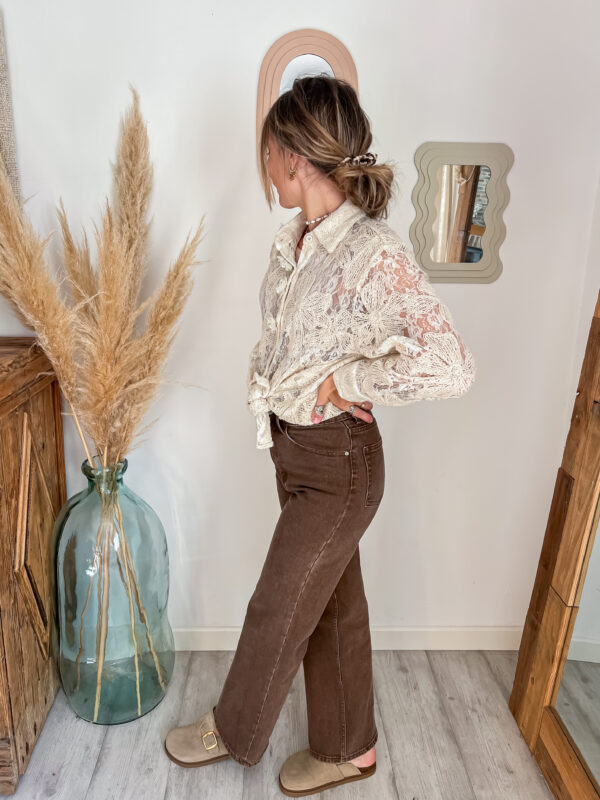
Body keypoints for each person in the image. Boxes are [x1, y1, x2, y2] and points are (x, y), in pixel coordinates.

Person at [164, 75, 476, 797]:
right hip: (298, 452)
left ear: (295, 156)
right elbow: (287, 346)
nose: (266, 166)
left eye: (270, 152)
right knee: (331, 604)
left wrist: (353, 381)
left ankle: (233, 729)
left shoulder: (372, 252)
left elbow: (452, 365)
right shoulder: (297, 242)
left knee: (278, 604)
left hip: (339, 464)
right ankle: (349, 750)